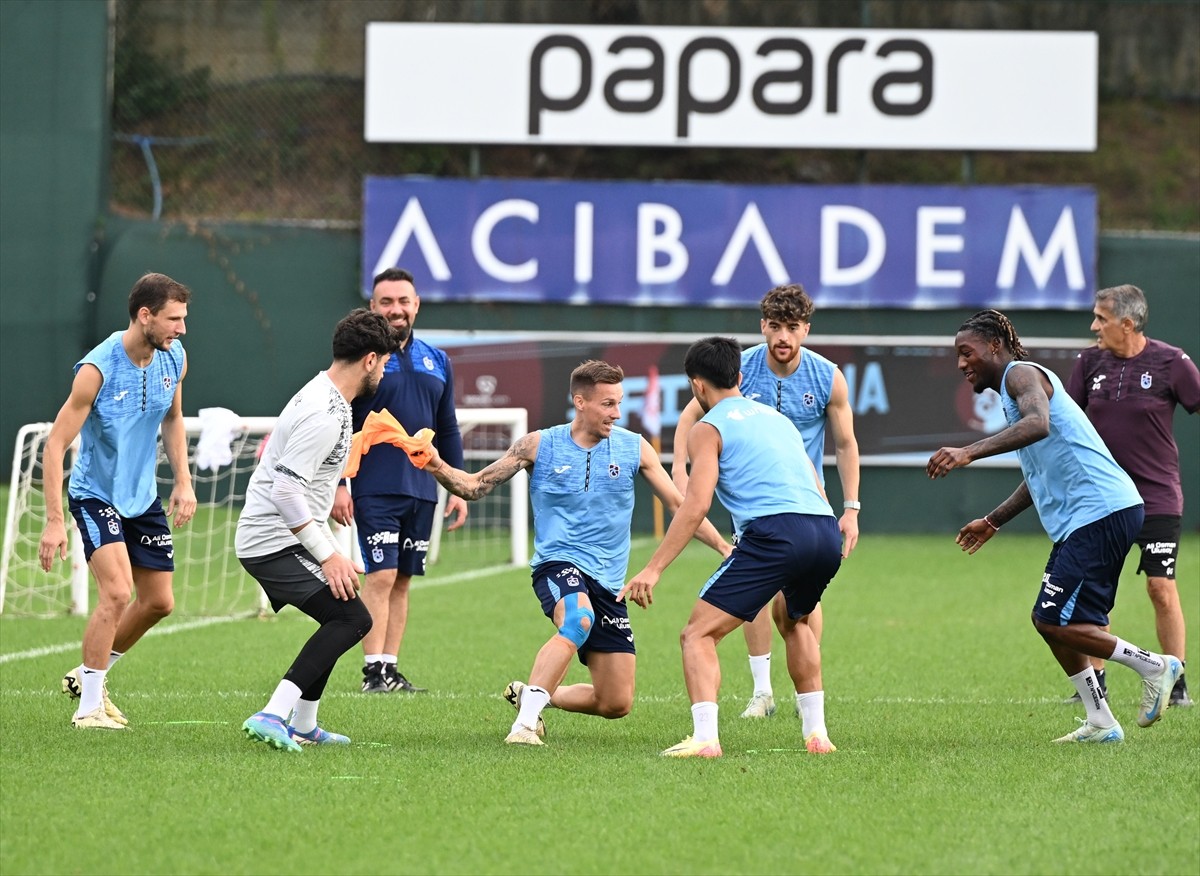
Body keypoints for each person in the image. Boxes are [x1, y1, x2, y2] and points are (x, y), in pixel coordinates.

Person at [405, 360, 730, 746]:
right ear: (580, 401)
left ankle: (535, 694)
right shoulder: (539, 444)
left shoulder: (633, 447)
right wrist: (434, 462)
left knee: (615, 702)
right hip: (558, 563)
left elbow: (682, 505)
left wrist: (725, 548)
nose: (616, 412)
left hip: (609, 581)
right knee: (577, 619)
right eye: (608, 404)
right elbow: (474, 487)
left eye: (619, 403)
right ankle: (525, 725)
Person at [927, 310, 1183, 744]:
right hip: (1089, 519)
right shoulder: (1014, 390)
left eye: (966, 352)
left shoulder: (1020, 374)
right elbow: (1038, 474)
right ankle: (1101, 721)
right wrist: (993, 520)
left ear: (994, 346)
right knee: (1052, 621)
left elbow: (1037, 423)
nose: (961, 363)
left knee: (1053, 621)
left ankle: (1156, 666)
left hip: (1100, 512)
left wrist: (969, 452)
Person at [624, 336, 843, 758]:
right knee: (795, 620)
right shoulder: (779, 420)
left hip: (776, 533)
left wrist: (653, 568)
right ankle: (817, 736)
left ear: (697, 386)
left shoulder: (708, 428)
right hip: (823, 529)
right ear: (740, 377)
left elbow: (695, 506)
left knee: (697, 634)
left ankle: (705, 739)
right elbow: (816, 485)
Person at [672, 283, 860, 719]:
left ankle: (804, 693)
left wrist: (851, 508)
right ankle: (762, 692)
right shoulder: (742, 368)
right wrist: (679, 469)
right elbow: (691, 414)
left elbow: (846, 444)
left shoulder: (827, 375)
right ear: (763, 327)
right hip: (754, 498)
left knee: (800, 603)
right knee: (754, 591)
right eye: (775, 326)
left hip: (807, 497)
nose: (782, 337)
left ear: (806, 330)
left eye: (792, 327)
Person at [38, 273, 197, 730]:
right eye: (174, 319)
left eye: (183, 319)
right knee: (116, 591)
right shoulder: (98, 369)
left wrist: (183, 482)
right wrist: (53, 521)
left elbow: (174, 418)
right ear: (145, 316)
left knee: (159, 602)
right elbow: (54, 445)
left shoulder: (175, 358)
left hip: (141, 496)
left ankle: (89, 672)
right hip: (95, 494)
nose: (181, 329)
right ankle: (89, 706)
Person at [237, 308, 399, 752]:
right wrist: (327, 554)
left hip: (287, 536)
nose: (383, 372)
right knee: (353, 617)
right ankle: (273, 713)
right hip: (270, 541)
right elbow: (287, 492)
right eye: (383, 363)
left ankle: (305, 725)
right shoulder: (324, 412)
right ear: (369, 360)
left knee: (342, 612)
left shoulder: (331, 399)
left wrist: (331, 549)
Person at [330, 267, 468, 694]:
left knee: (404, 577)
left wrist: (457, 486)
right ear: (373, 306)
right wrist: (337, 484)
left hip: (423, 488)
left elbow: (447, 427)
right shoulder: (362, 360)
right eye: (386, 302)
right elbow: (338, 421)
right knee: (381, 575)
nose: (396, 310)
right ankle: (373, 671)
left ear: (416, 305)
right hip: (375, 484)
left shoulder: (437, 359)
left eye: (403, 301)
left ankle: (390, 667)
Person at [1064, 284, 1198, 706]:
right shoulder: (1088, 362)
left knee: (1160, 587)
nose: (1094, 326)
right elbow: (1069, 422)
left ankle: (1174, 682)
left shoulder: (1171, 361)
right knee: (1093, 588)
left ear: (1128, 322)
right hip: (1103, 498)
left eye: (1101, 318)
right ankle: (1095, 683)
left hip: (1157, 497)